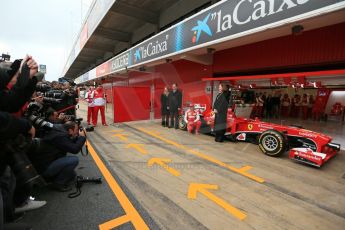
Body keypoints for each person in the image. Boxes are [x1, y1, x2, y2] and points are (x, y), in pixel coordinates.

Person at [28, 121, 86, 191]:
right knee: (74, 160)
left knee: (72, 175)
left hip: (43, 162)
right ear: (70, 130)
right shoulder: (61, 136)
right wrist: (82, 137)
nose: (77, 132)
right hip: (44, 168)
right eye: (76, 130)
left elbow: (67, 143)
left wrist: (77, 138)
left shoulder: (58, 128)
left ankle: (53, 177)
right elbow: (74, 149)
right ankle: (58, 183)